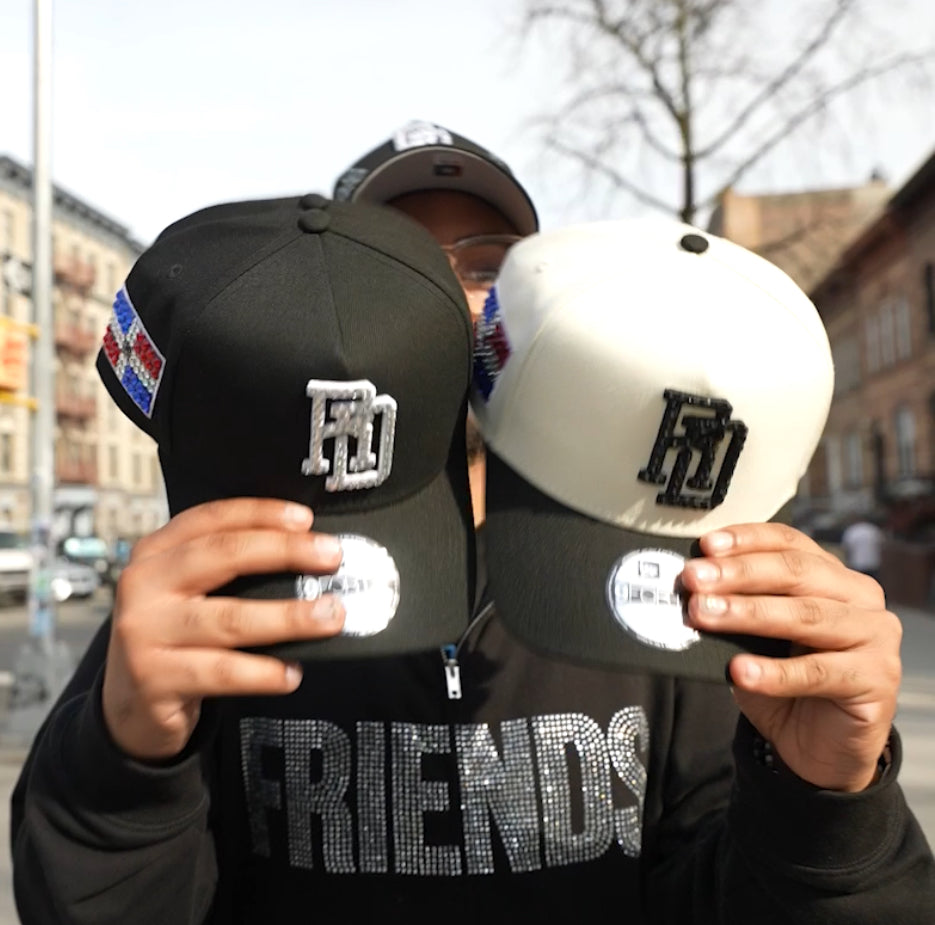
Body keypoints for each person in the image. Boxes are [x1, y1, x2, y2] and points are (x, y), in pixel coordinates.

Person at [9, 121, 934, 924]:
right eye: (392, 265)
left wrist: (826, 801)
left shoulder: (667, 572)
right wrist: (123, 762)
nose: (447, 299)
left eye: (488, 265)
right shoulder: (227, 577)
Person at [840, 513, 886, 583]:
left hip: (857, 564)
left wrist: (847, 562)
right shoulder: (874, 530)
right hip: (873, 563)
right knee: (872, 584)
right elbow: (882, 545)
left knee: (857, 584)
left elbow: (846, 548)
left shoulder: (853, 530)